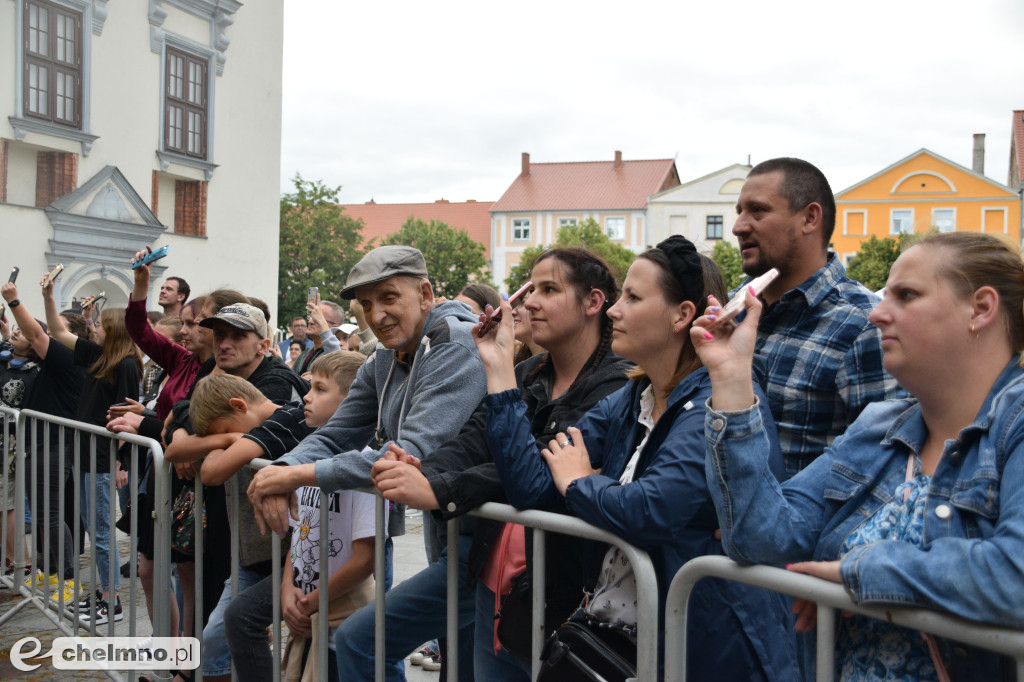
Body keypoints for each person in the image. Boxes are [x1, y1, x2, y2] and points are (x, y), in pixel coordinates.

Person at [694, 232, 1024, 681]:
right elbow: (761, 538)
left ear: (981, 309)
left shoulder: (1014, 425)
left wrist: (860, 575)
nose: (877, 313)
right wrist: (733, 379)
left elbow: (1016, 574)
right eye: (886, 295)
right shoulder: (879, 427)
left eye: (906, 296)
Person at [480, 236, 799, 680]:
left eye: (632, 297)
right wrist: (498, 371)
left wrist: (579, 484)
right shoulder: (634, 397)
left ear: (681, 315)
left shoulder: (721, 403)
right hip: (629, 646)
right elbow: (532, 489)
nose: (614, 310)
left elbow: (651, 509)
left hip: (710, 648)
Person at [372, 248, 632, 680]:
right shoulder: (531, 370)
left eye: (548, 289)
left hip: (565, 590)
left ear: (594, 303)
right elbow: (476, 438)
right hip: (498, 583)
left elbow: (539, 464)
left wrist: (440, 490)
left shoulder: (616, 380)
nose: (529, 301)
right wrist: (421, 468)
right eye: (530, 288)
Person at [247, 244, 487, 682]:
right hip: (449, 532)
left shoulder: (456, 345)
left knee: (366, 640)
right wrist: (276, 472)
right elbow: (338, 433)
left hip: (488, 543)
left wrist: (290, 475)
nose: (376, 314)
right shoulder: (384, 356)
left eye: (389, 298)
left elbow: (410, 451)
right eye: (366, 303)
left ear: (426, 293)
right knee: (461, 665)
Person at [732, 157, 902, 478]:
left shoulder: (866, 324)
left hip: (802, 525)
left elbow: (879, 464)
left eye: (758, 210)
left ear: (810, 218)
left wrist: (776, 512)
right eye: (739, 211)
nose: (738, 226)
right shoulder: (731, 309)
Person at [214, 351, 376, 681]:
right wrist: (287, 588)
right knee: (240, 617)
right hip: (303, 595)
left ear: (352, 401)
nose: (306, 395)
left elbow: (365, 559)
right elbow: (301, 534)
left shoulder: (362, 464)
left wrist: (311, 602)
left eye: (319, 388)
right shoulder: (305, 458)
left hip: (340, 608)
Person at [39, 285, 143, 626]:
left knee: (101, 532)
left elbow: (125, 417)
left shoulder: (126, 365)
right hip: (83, 454)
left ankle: (111, 600)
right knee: (94, 527)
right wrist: (48, 296)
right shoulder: (98, 356)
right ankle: (102, 593)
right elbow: (57, 332)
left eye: (99, 324)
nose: (94, 327)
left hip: (100, 457)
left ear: (112, 330)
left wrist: (118, 462)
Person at [0, 287, 86, 596]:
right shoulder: (59, 360)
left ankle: (67, 579)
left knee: (50, 515)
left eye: (60, 327)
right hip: (38, 443)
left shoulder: (70, 358)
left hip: (54, 445)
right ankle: (51, 572)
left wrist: (14, 301)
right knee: (41, 515)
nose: (53, 330)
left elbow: (36, 336)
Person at [293, 298, 343, 379]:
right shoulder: (304, 354)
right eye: (311, 316)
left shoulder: (336, 354)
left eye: (317, 318)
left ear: (333, 327)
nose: (310, 322)